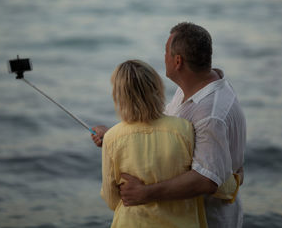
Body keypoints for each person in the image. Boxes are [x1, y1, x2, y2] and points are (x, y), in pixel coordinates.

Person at [92, 22, 246, 228]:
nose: (163, 56)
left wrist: (145, 193)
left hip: (208, 220)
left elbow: (207, 179)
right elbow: (160, 127)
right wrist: (115, 137)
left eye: (166, 51)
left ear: (178, 61)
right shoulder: (190, 88)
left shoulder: (210, 114)